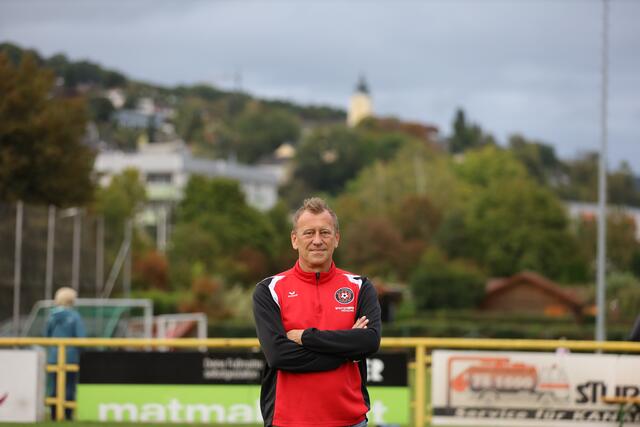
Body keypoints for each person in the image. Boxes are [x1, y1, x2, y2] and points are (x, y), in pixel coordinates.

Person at [253, 197, 381, 427]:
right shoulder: (269, 290)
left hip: (350, 420)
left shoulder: (360, 286)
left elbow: (369, 341)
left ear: (337, 238)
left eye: (325, 232)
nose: (317, 241)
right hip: (288, 421)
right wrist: (346, 351)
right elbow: (278, 355)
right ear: (294, 240)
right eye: (309, 233)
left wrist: (305, 337)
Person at [45, 286, 86, 421]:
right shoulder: (75, 316)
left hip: (53, 357)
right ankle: (67, 415)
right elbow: (81, 337)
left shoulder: (51, 316)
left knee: (54, 386)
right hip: (71, 357)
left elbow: (46, 335)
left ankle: (54, 414)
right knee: (69, 386)